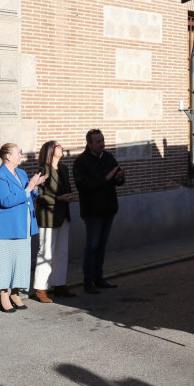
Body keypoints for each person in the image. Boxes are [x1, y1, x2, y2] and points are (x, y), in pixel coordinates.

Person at [0, 143, 46, 312]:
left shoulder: (21, 173)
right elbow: (5, 201)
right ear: (8, 156)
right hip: (6, 228)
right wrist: (29, 188)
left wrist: (35, 186)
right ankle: (3, 296)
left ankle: (15, 293)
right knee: (4, 263)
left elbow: (29, 196)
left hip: (23, 225)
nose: (21, 156)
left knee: (20, 262)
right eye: (18, 153)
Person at [73, 129, 125, 294]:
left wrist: (119, 177)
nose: (102, 144)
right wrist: (107, 178)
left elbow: (118, 179)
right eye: (98, 142)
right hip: (92, 211)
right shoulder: (81, 162)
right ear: (89, 144)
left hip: (109, 208)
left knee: (102, 245)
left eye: (103, 141)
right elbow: (84, 186)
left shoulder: (108, 157)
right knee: (93, 245)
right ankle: (88, 281)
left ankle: (99, 277)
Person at [33, 140, 76, 301]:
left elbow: (67, 188)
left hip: (63, 214)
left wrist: (69, 195)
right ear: (50, 151)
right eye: (58, 146)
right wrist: (59, 198)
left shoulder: (63, 169)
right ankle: (41, 288)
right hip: (48, 217)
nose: (61, 147)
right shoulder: (42, 170)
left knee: (62, 251)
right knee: (46, 252)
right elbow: (39, 197)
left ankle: (59, 284)